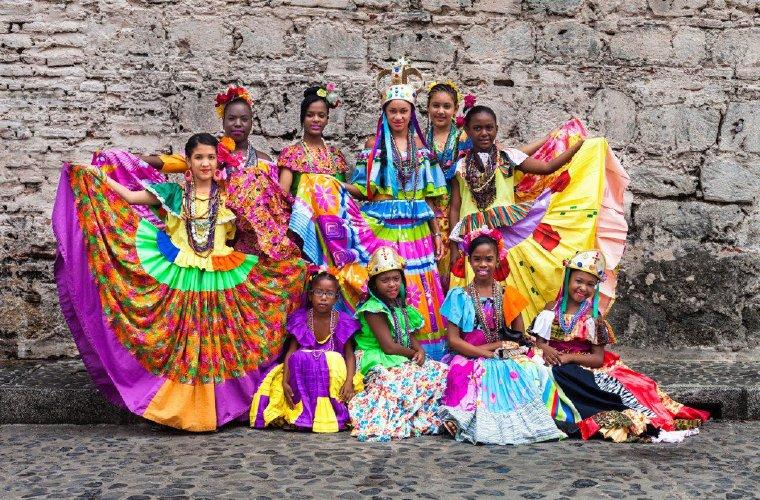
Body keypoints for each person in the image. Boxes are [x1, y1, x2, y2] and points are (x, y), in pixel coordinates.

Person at [53, 133, 304, 431]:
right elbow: (130, 198)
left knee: (217, 344)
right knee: (184, 344)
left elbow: (263, 222)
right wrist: (97, 177)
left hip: (221, 277)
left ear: (218, 161)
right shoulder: (173, 194)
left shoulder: (230, 196)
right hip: (181, 275)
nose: (205, 163)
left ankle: (216, 409)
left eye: (210, 157)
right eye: (199, 157)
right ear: (188, 161)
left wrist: (281, 252)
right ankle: (180, 410)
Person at [530, 250, 710, 442]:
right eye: (578, 281)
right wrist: (546, 349)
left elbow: (597, 358)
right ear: (567, 279)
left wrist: (568, 358)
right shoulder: (551, 309)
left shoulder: (593, 318)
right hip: (551, 361)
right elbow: (539, 341)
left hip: (581, 363)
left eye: (590, 284)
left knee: (634, 389)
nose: (583, 288)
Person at [437, 228, 577, 445]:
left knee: (533, 371)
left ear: (497, 260)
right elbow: (454, 340)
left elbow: (517, 336)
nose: (483, 264)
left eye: (488, 259)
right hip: (469, 356)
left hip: (503, 355)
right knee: (464, 377)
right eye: (477, 259)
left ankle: (548, 418)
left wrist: (504, 347)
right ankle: (466, 420)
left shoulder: (507, 294)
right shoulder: (459, 296)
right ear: (469, 260)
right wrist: (489, 351)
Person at [348, 247, 449, 442]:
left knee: (442, 372)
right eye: (385, 280)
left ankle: (421, 418)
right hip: (377, 357)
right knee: (399, 383)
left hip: (398, 355)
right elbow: (388, 346)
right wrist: (412, 354)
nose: (392, 284)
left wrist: (419, 350)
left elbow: (406, 334)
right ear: (374, 284)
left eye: (396, 279)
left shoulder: (399, 306)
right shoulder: (373, 309)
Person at [250, 269, 360, 433]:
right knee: (300, 357)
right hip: (304, 376)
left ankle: (327, 415)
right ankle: (300, 414)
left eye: (329, 293)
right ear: (310, 295)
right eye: (319, 292)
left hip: (331, 376)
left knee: (332, 359)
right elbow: (290, 353)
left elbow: (350, 356)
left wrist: (349, 382)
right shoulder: (301, 318)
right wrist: (285, 381)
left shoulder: (343, 321)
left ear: (336, 298)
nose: (324, 297)